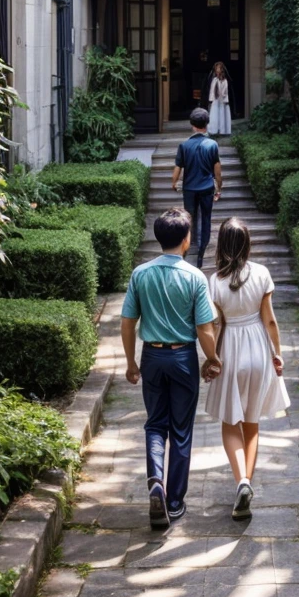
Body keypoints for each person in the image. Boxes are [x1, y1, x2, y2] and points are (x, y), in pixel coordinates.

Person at [120, 208, 222, 531]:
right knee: (181, 430)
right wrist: (213, 358)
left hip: (151, 357)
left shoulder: (140, 274)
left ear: (158, 237)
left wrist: (130, 362)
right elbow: (205, 328)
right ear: (187, 240)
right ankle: (174, 502)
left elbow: (127, 322)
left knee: (155, 424)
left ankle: (155, 483)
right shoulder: (195, 277)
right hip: (183, 359)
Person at [203, 217, 290, 520]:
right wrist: (277, 354)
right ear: (247, 243)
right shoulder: (263, 274)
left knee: (230, 422)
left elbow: (213, 326)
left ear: (222, 245)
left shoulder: (214, 281)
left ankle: (240, 478)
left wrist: (211, 359)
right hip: (258, 350)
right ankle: (246, 483)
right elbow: (270, 321)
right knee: (252, 422)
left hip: (231, 352)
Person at [172, 107, 222, 268]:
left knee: (189, 218)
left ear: (192, 125)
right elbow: (217, 170)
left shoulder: (184, 145)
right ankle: (202, 252)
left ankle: (187, 248)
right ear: (206, 124)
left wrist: (174, 183)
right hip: (207, 188)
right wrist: (218, 187)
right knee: (206, 218)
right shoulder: (212, 145)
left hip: (189, 189)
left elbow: (178, 168)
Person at [208, 61, 232, 137]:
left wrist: (223, 95)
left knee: (223, 114)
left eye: (219, 68)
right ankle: (214, 129)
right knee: (214, 114)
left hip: (222, 100)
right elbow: (212, 90)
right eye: (216, 68)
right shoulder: (214, 80)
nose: (217, 70)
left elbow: (225, 91)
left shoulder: (225, 80)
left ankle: (223, 130)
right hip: (216, 100)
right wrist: (211, 99)